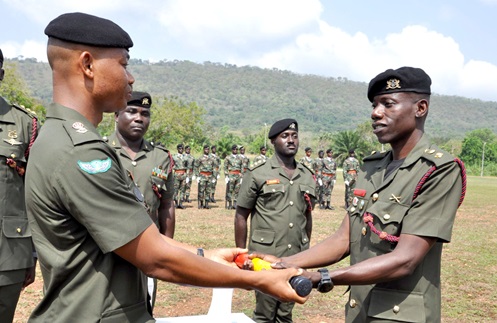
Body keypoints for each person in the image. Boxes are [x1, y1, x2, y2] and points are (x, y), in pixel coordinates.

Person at [25, 12, 307, 322]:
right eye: (124, 64)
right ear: (88, 64)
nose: (130, 78)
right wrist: (258, 280)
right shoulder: (81, 153)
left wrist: (207, 255)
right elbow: (156, 259)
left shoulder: (62, 138)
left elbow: (140, 239)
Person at [254, 67, 467, 322]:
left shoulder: (438, 170)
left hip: (401, 315)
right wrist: (283, 262)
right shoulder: (372, 166)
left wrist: (324, 277)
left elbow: (406, 259)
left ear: (420, 108)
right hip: (361, 310)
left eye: (388, 104)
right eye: (375, 105)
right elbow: (344, 239)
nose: (376, 113)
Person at [235, 118, 316, 323]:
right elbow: (241, 214)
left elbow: (307, 215)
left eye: (295, 136)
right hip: (265, 254)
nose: (291, 141)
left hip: (294, 254)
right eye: (285, 136)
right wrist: (242, 254)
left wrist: (306, 248)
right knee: (265, 312)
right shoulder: (258, 173)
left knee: (286, 311)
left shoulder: (306, 175)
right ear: (273, 141)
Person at [108, 91, 175, 312]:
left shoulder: (161, 157)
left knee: (145, 307)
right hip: (108, 250)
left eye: (145, 113)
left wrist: (166, 247)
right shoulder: (100, 151)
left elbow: (166, 205)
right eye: (131, 111)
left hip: (148, 250)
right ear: (117, 115)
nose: (139, 118)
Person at [0, 48, 38, 323]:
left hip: (8, 254)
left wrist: (33, 252)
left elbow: (37, 194)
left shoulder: (24, 124)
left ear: (1, 74)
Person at [194, 145, 215, 209]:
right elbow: (196, 167)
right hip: (202, 175)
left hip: (209, 176)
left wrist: (214, 176)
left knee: (208, 190)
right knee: (201, 190)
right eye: (206, 149)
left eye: (208, 149)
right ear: (203, 150)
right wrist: (197, 176)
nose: (207, 150)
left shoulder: (212, 158)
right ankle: (201, 203)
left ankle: (206, 203)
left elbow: (214, 168)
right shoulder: (200, 158)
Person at [224, 144, 243, 209]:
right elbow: (225, 167)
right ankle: (229, 203)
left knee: (237, 190)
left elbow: (242, 167)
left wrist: (241, 176)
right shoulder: (228, 157)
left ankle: (235, 203)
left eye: (236, 149)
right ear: (232, 150)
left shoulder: (240, 158)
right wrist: (226, 176)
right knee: (230, 190)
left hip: (238, 175)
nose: (235, 150)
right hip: (231, 175)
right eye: (234, 149)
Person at [172, 143, 188, 209]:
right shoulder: (174, 157)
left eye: (182, 148)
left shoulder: (185, 157)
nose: (181, 150)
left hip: (183, 174)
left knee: (183, 189)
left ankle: (181, 203)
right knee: (175, 189)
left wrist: (187, 176)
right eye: (180, 148)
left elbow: (187, 166)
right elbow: (172, 165)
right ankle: (176, 203)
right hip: (176, 174)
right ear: (177, 149)